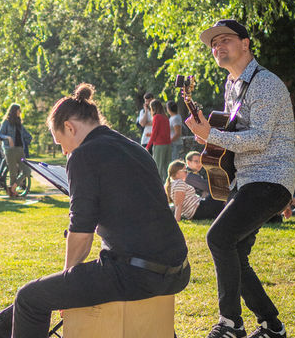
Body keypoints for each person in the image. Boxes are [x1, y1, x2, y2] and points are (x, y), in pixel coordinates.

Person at [12, 84, 190, 338]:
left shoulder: (83, 155)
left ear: (70, 128)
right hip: (178, 268)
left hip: (139, 274)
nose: (64, 152)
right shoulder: (133, 148)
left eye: (61, 143)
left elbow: (81, 235)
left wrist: (67, 285)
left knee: (29, 298)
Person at [186, 19, 295, 338]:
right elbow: (232, 136)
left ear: (245, 43)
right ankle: (272, 326)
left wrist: (213, 135)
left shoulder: (266, 83)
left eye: (224, 40)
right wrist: (209, 137)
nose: (217, 46)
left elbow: (260, 138)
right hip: (246, 181)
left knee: (218, 238)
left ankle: (231, 324)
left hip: (269, 177)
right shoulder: (231, 86)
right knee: (234, 252)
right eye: (213, 44)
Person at [0, 104, 32, 197]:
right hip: (10, 150)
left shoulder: (19, 123)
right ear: (14, 111)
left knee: (27, 170)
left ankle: (13, 187)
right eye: (19, 110)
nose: (20, 112)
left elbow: (28, 136)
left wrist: (25, 143)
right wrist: (8, 138)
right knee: (13, 172)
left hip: (20, 150)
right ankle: (12, 192)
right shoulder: (6, 122)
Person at [146, 99, 171, 183]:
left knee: (158, 167)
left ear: (153, 108)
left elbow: (155, 133)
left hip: (159, 145)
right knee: (167, 168)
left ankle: (158, 186)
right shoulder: (165, 117)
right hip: (168, 144)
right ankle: (168, 186)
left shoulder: (156, 117)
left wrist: (148, 146)